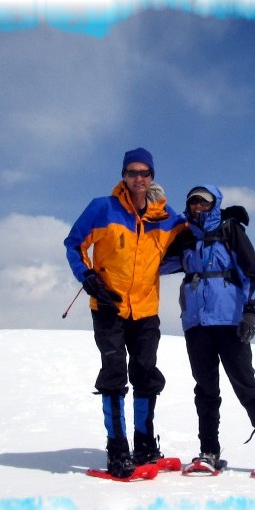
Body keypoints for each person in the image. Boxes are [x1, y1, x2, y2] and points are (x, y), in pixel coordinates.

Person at [64, 147, 186, 478]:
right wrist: (87, 277)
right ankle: (118, 451)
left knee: (146, 374)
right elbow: (74, 243)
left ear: (152, 177)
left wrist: (223, 219)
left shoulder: (164, 218)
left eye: (144, 173)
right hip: (108, 306)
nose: (138, 178)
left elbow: (194, 233)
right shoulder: (102, 208)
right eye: (132, 173)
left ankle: (145, 446)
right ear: (123, 176)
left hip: (146, 309)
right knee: (115, 373)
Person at [163, 184, 255, 477]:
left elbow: (254, 276)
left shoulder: (230, 230)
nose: (198, 206)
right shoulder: (185, 237)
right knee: (206, 390)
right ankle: (208, 452)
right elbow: (156, 263)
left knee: (245, 385)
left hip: (229, 321)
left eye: (203, 201)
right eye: (193, 202)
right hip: (196, 324)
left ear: (214, 204)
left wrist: (251, 312)